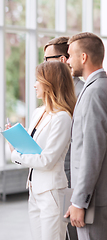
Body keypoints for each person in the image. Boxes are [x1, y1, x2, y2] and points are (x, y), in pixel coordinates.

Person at [7, 61, 76, 240]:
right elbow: (31, 150)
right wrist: (16, 140)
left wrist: (15, 154)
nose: (35, 84)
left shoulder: (62, 118)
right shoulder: (39, 112)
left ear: (50, 84)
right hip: (34, 189)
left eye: (38, 80)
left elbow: (47, 160)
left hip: (51, 193)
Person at [64, 32, 107, 240]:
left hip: (94, 202)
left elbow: (92, 151)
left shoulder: (94, 92)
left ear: (83, 57)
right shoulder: (97, 88)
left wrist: (79, 202)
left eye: (70, 55)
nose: (68, 61)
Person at [44, 36, 84, 240]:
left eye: (46, 59)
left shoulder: (81, 93)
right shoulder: (55, 96)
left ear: (62, 60)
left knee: (73, 232)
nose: (43, 65)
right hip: (57, 176)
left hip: (71, 177)